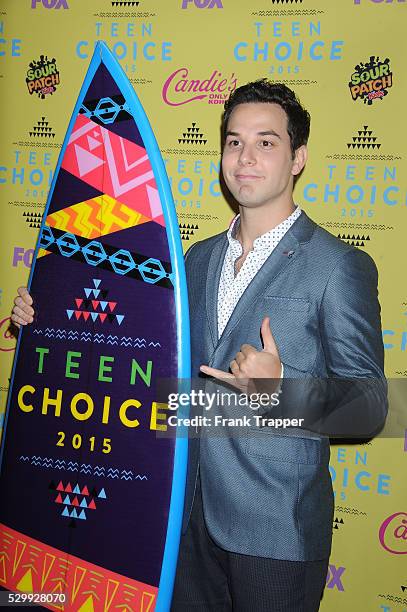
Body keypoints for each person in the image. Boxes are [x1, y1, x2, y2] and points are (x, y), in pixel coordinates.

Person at [12, 81, 387, 611]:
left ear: (298, 157)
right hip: (180, 523)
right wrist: (46, 317)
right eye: (234, 142)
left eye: (266, 142)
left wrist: (280, 390)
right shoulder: (195, 259)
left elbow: (371, 406)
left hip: (275, 532)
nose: (246, 158)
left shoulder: (337, 266)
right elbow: (137, 350)